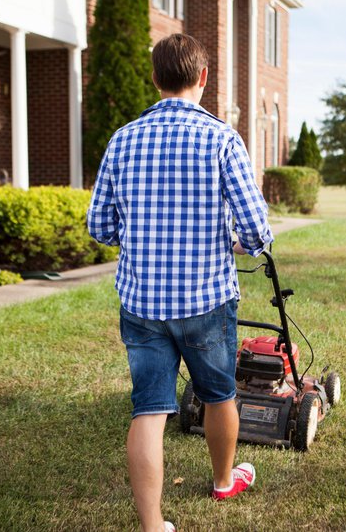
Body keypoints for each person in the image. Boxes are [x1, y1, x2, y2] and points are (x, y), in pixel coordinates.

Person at [87, 33, 273, 532]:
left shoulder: (123, 139)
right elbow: (256, 229)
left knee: (149, 409)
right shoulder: (221, 139)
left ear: (155, 78)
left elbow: (100, 227)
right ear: (203, 78)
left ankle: (153, 526)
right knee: (218, 395)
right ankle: (221, 481)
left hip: (142, 300)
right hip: (206, 298)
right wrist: (239, 244)